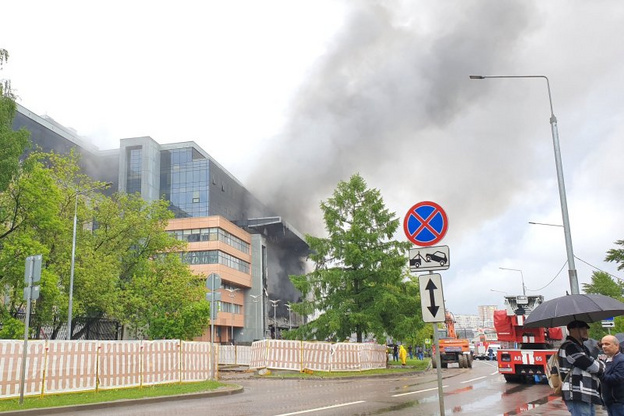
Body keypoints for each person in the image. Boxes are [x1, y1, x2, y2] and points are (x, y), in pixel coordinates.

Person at [559, 320, 605, 416]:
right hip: (577, 393)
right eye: (581, 328)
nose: (585, 331)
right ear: (572, 330)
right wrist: (601, 365)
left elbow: (593, 361)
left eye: (586, 328)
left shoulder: (582, 348)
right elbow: (592, 366)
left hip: (586, 393)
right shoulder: (569, 346)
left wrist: (598, 362)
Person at [600, 335, 624, 416]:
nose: (604, 346)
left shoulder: (621, 360)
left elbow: (617, 378)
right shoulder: (607, 360)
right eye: (602, 344)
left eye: (607, 344)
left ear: (617, 346)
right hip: (610, 402)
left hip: (618, 403)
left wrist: (599, 374)